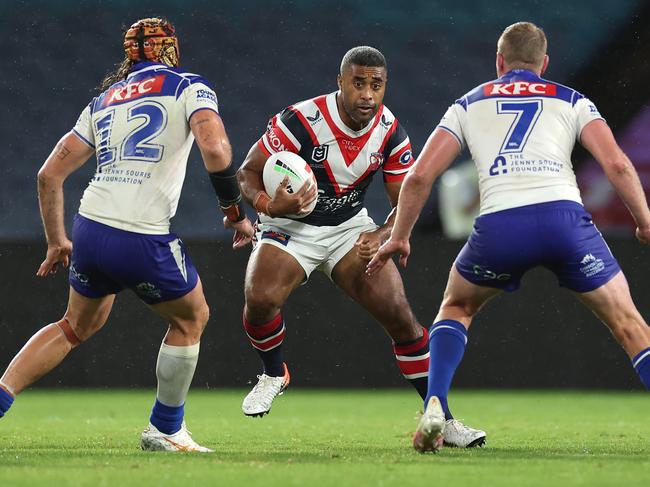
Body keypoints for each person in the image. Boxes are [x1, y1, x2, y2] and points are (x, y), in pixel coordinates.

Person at [368, 21, 650, 453]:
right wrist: (645, 220)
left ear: (499, 61)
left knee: (457, 305)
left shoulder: (468, 104)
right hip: (565, 222)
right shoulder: (573, 100)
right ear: (545, 63)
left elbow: (421, 175)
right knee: (630, 323)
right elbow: (617, 165)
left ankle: (436, 407)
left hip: (501, 226)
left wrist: (400, 235)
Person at [0, 18, 254, 452]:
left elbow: (49, 174)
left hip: (90, 228)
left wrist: (57, 240)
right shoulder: (188, 85)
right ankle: (165, 429)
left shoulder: (103, 100)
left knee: (75, 326)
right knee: (192, 318)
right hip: (139, 234)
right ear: (170, 49)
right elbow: (215, 148)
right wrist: (234, 211)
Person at [236, 45, 484, 448]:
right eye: (358, 84)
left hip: (348, 229)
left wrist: (383, 233)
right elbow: (246, 172)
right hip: (289, 225)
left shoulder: (389, 130)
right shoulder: (301, 120)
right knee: (260, 299)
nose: (367, 94)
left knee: (402, 318)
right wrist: (268, 204)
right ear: (340, 83)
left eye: (376, 85)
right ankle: (273, 372)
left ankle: (441, 417)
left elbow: (404, 200)